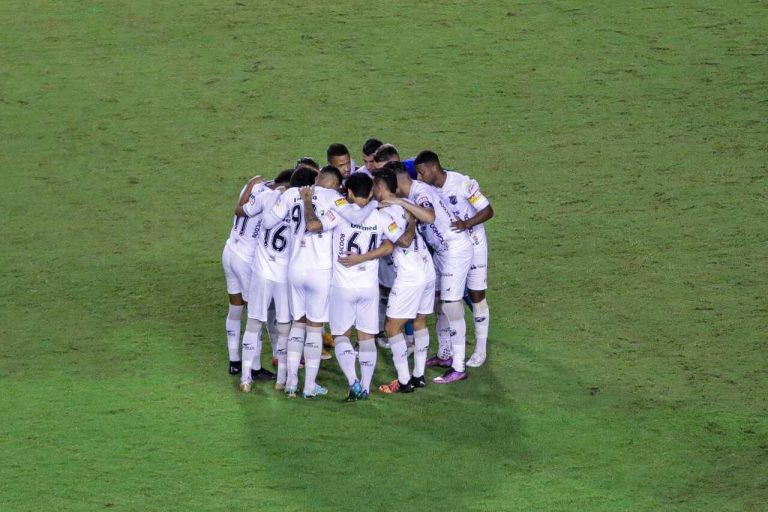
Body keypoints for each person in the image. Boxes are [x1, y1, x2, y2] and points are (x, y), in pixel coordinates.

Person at [302, 173, 403, 400]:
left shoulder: (338, 214)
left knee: (341, 337)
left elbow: (313, 226)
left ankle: (353, 381)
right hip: (369, 287)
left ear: (347, 193)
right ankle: (365, 388)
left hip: (342, 287)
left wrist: (308, 202)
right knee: (366, 338)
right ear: (370, 193)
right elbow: (399, 242)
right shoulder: (381, 217)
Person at [392, 162, 473, 384]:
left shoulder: (420, 192)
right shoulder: (414, 193)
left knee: (451, 306)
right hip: (441, 252)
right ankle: (445, 355)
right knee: (439, 304)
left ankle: (459, 366)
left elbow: (428, 216)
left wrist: (400, 202)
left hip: (455, 250)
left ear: (398, 182)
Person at [414, 151, 494, 367]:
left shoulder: (462, 183)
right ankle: (445, 351)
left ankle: (480, 349)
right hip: (449, 250)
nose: (420, 177)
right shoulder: (426, 189)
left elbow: (488, 210)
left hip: (475, 243)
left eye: (422, 172)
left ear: (433, 168)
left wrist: (466, 224)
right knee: (444, 298)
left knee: (477, 294)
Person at [235, 168, 311, 392]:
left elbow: (242, 210)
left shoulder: (267, 196)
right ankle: (283, 380)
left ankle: (246, 378)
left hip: (261, 271)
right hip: (284, 275)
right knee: (285, 328)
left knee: (253, 324)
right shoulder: (305, 208)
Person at [370, 169, 437, 393]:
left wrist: (410, 224)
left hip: (411, 276)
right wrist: (411, 218)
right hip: (428, 271)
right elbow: (426, 217)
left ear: (379, 187)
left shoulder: (384, 214)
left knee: (391, 327)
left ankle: (404, 381)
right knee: (419, 322)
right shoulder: (405, 205)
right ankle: (418, 376)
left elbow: (405, 241)